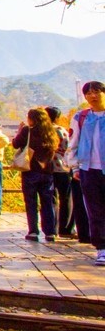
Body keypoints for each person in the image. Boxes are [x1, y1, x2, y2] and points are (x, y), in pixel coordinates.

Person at [65, 80, 105, 265]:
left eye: (96, 92)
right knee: (95, 210)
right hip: (89, 170)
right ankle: (102, 248)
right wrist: (75, 166)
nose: (92, 96)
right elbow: (73, 143)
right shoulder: (81, 117)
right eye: (88, 93)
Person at [13, 107, 59, 242]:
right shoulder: (51, 132)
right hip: (47, 171)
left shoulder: (27, 131)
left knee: (31, 202)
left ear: (31, 119)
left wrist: (20, 130)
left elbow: (15, 144)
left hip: (30, 170)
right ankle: (50, 232)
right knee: (47, 202)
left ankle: (33, 231)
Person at [46, 106, 75, 239]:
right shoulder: (61, 130)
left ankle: (52, 228)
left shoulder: (42, 131)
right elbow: (69, 146)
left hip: (46, 168)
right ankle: (66, 228)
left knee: (50, 199)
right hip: (62, 167)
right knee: (66, 198)